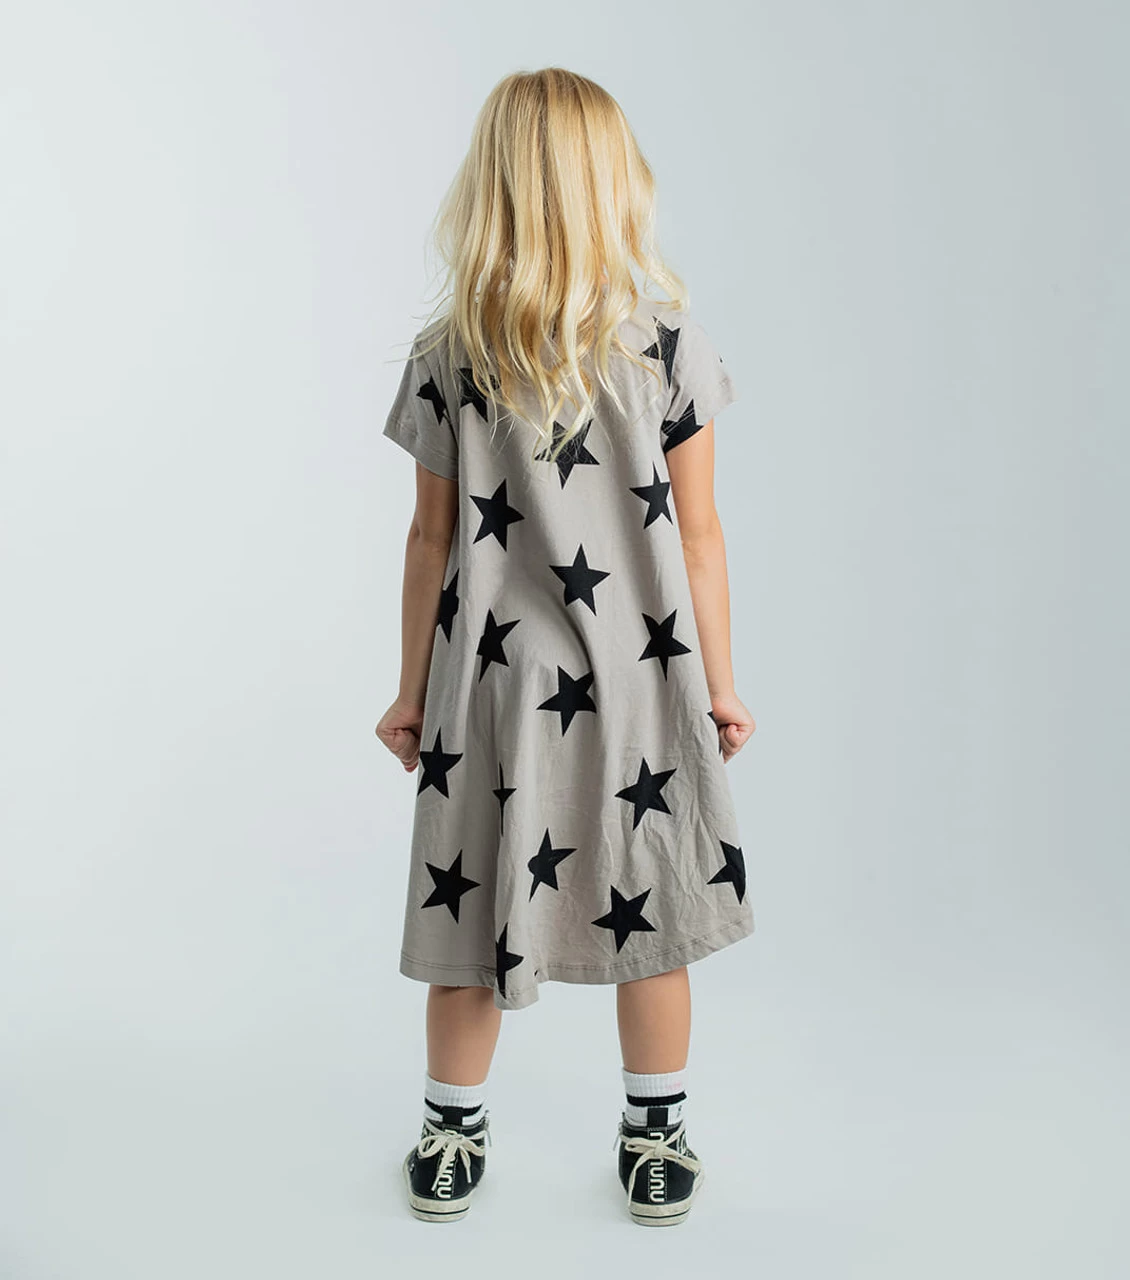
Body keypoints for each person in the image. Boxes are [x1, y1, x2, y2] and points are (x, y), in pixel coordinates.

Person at [375, 67, 757, 1227]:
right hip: (640, 679)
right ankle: (655, 1131)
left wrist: (407, 692)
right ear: (613, 186)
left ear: (490, 187)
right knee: (651, 903)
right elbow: (698, 534)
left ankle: (451, 1127)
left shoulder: (448, 352)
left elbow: (428, 539)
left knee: (469, 908)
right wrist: (720, 686)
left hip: (488, 687)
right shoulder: (664, 345)